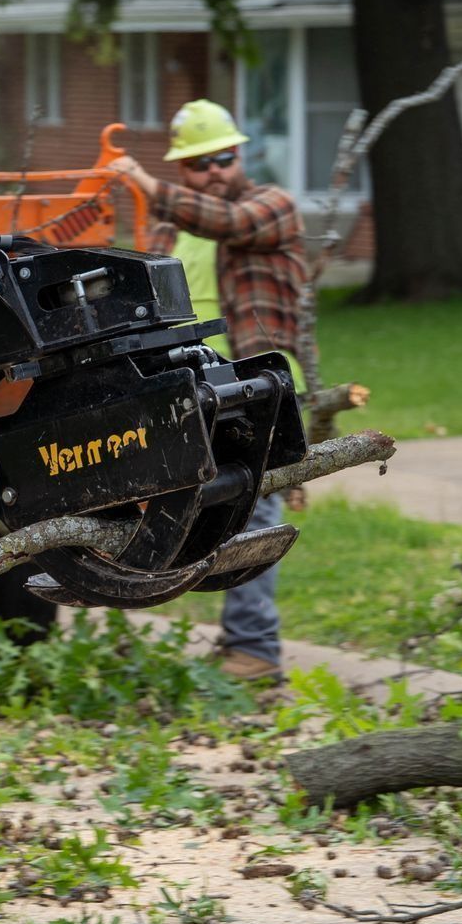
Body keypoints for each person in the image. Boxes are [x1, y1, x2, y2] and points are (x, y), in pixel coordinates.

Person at [109, 99, 309, 682]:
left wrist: (144, 184)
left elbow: (228, 223)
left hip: (255, 381)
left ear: (240, 153)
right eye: (199, 164)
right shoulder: (169, 230)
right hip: (188, 383)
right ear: (184, 171)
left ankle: (255, 650)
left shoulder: (271, 207)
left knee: (253, 503)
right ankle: (207, 639)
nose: (215, 169)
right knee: (161, 503)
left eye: (223, 156)